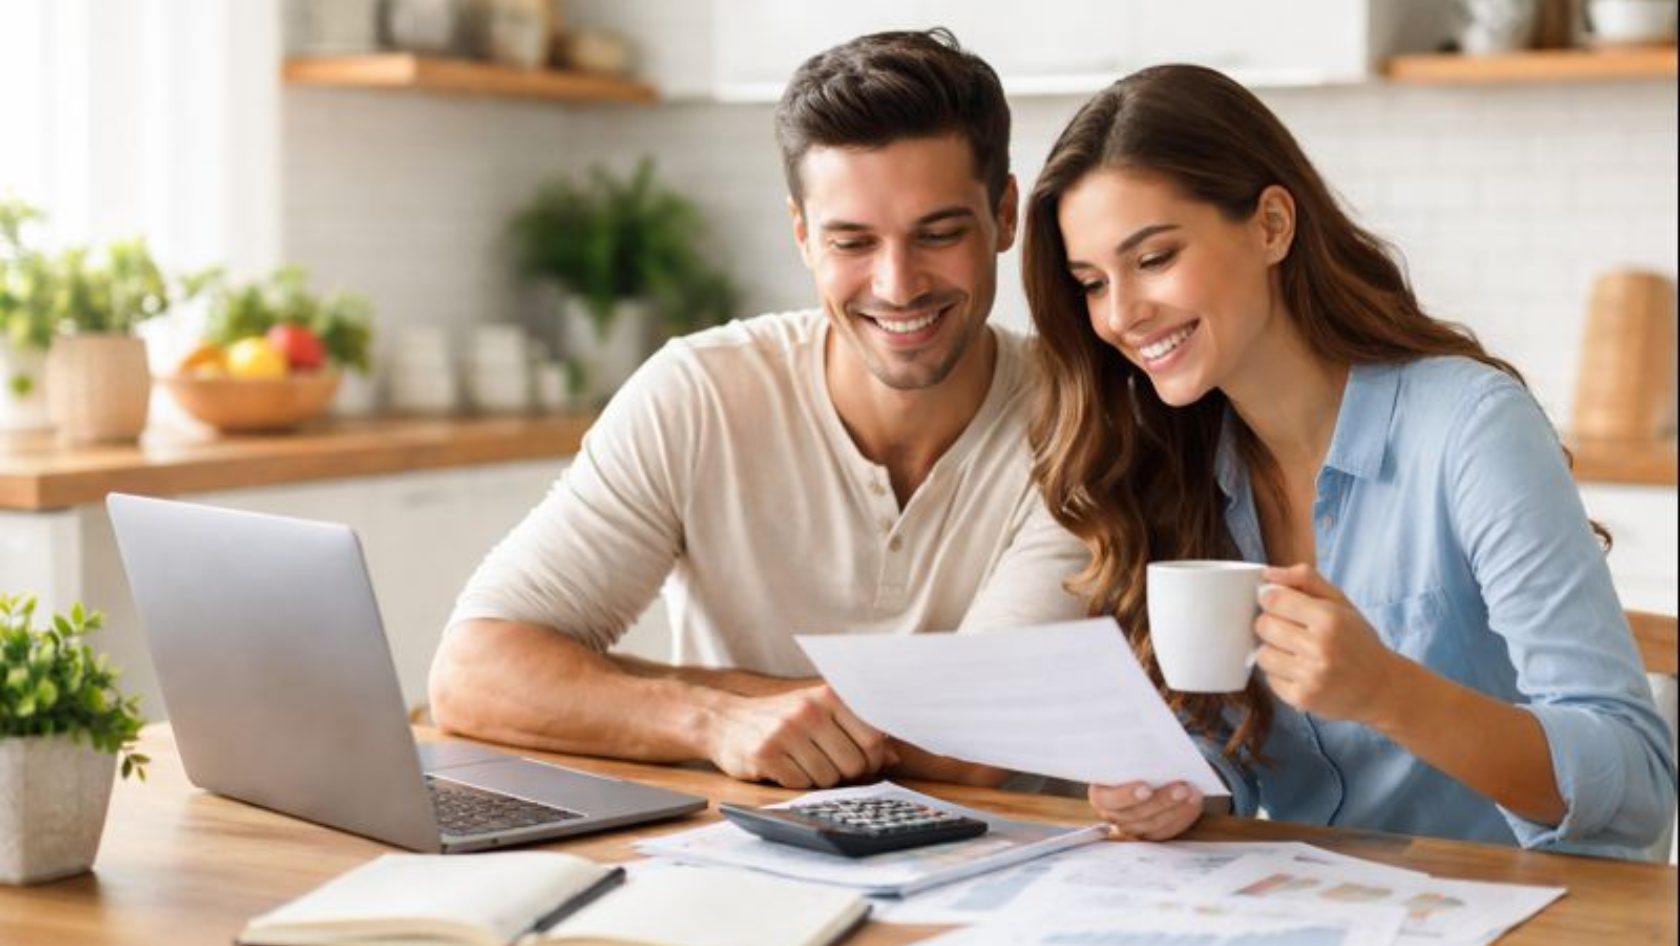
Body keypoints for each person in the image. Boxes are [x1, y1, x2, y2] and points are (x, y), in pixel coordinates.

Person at [1022, 64, 1675, 857]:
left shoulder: (1469, 429)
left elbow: (1637, 785)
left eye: (1154, 258)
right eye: (1092, 283)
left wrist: (1390, 692)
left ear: (1270, 225)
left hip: (1532, 911)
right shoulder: (1177, 460)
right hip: (1324, 907)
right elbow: (1230, 754)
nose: (1121, 314)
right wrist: (1170, 785)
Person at [429, 29, 1089, 791]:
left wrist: (651, 686)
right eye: (852, 242)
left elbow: (977, 740)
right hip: (733, 854)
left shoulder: (1079, 419)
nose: (898, 284)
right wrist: (710, 720)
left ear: (1005, 215)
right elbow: (471, 673)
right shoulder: (700, 394)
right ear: (803, 236)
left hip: (1007, 867)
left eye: (938, 234)